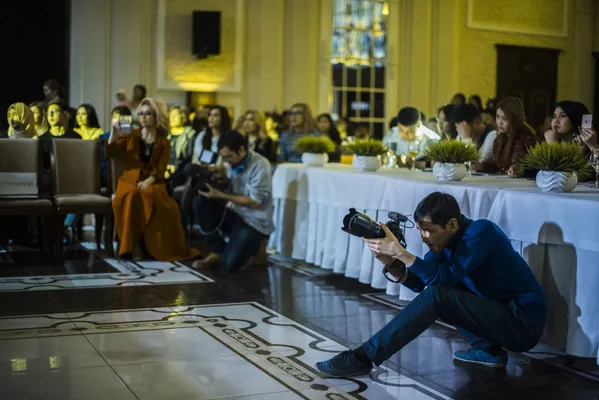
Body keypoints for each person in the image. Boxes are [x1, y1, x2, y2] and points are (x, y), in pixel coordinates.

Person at [316, 192, 546, 377]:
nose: (424, 236)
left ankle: (363, 358)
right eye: (420, 230)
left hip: (521, 323)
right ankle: (487, 350)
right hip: (499, 316)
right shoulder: (442, 243)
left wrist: (401, 253)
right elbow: (419, 283)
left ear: (452, 224)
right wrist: (387, 259)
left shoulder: (481, 231)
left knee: (440, 293)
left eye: (429, 230)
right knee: (439, 290)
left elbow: (442, 281)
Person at [106, 98, 200, 261]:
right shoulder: (131, 133)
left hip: (153, 180)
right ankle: (129, 246)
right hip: (129, 179)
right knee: (131, 194)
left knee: (161, 202)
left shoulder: (164, 141)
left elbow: (161, 168)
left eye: (148, 113)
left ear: (156, 117)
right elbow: (111, 152)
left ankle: (150, 246)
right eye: (141, 113)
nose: (143, 117)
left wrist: (148, 181)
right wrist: (114, 133)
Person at [191, 130, 274, 272]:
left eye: (229, 156)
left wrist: (220, 195)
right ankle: (217, 250)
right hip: (236, 214)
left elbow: (255, 202)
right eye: (223, 157)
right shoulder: (233, 162)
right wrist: (222, 179)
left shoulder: (260, 165)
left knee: (228, 266)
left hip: (254, 222)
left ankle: (255, 247)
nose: (227, 161)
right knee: (200, 202)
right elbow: (233, 185)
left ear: (241, 150)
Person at [490, 97, 538, 177]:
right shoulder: (500, 138)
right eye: (498, 117)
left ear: (515, 119)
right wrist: (482, 166)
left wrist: (518, 170)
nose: (499, 122)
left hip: (521, 182)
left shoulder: (527, 137)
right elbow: (499, 167)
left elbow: (533, 168)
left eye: (504, 118)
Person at [167, 105, 196, 178]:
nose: (172, 118)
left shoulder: (189, 134)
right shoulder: (166, 134)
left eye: (175, 115)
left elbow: (189, 156)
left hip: (180, 169)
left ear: (183, 117)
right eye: (171, 115)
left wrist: (176, 167)